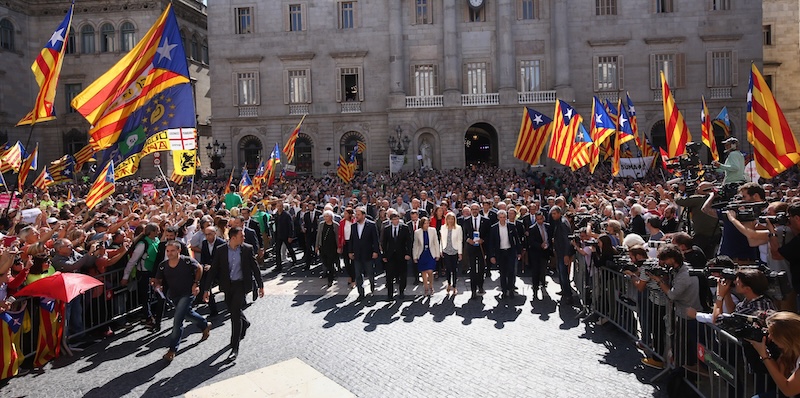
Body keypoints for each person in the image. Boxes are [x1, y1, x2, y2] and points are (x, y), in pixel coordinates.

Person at [202, 227, 264, 362]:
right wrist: (206, 289)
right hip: (227, 286)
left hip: (241, 285)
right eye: (242, 236)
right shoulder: (221, 250)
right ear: (233, 237)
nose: (244, 238)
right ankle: (245, 323)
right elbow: (213, 271)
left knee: (234, 315)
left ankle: (234, 347)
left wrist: (260, 285)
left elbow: (255, 267)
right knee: (232, 308)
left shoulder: (247, 249)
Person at [153, 241, 210, 361]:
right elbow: (157, 279)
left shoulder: (187, 261)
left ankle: (172, 350)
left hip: (188, 293)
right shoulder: (163, 265)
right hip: (174, 295)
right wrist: (158, 285)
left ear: (178, 250)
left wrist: (196, 284)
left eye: (172, 250)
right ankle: (204, 324)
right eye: (167, 251)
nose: (169, 253)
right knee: (187, 314)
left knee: (177, 321)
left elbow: (199, 268)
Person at [747, 311, 800, 398]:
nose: (770, 338)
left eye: (772, 334)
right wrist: (765, 352)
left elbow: (788, 390)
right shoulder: (790, 350)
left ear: (785, 337)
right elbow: (780, 372)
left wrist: (764, 356)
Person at [348, 206, 380, 301]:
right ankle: (361, 293)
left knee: (370, 273)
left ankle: (372, 287)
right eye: (355, 215)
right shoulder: (353, 226)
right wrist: (350, 251)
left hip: (368, 253)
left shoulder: (371, 225)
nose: (356, 216)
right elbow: (351, 240)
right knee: (358, 274)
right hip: (357, 254)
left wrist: (376, 251)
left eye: (358, 215)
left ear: (363, 215)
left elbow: (375, 240)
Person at [489, 210, 522, 300]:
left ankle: (511, 289)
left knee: (511, 271)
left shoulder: (511, 226)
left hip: (510, 251)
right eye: (501, 217)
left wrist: (519, 252)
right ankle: (504, 290)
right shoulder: (494, 228)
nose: (502, 219)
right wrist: (492, 255)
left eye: (504, 217)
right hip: (500, 252)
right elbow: (491, 243)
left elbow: (517, 240)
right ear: (498, 218)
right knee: (503, 272)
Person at [381, 212, 412, 300]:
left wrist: (408, 254)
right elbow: (384, 243)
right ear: (391, 220)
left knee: (403, 274)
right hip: (390, 256)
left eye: (397, 219)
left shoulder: (404, 228)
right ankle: (390, 294)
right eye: (394, 219)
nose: (396, 221)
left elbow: (409, 242)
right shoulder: (387, 229)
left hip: (402, 255)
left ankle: (401, 292)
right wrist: (384, 255)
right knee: (389, 275)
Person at [196, 226, 225, 316]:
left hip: (220, 271)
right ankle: (213, 310)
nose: (208, 237)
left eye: (210, 234)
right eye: (206, 234)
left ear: (215, 234)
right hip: (208, 270)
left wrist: (212, 266)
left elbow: (224, 261)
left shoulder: (222, 244)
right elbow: (203, 258)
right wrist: (203, 266)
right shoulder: (204, 243)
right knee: (205, 284)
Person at [463, 203, 490, 299]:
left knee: (482, 268)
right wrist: (468, 240)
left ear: (479, 210)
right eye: (473, 209)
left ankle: (481, 286)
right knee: (473, 269)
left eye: (476, 209)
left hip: (482, 247)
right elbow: (464, 233)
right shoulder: (466, 221)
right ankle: (473, 290)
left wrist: (483, 240)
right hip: (471, 247)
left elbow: (488, 234)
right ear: (470, 210)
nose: (474, 211)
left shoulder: (486, 220)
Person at [550, 206, 574, 305]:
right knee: (560, 273)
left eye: (554, 214)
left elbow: (566, 240)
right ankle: (564, 290)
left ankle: (568, 295)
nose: (553, 216)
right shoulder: (559, 222)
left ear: (559, 213)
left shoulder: (563, 223)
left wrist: (566, 255)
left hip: (563, 253)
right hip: (559, 252)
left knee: (564, 274)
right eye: (552, 214)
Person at [412, 217, 440, 297]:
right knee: (423, 272)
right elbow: (416, 245)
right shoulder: (417, 232)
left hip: (431, 253)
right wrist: (415, 256)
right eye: (425, 223)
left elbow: (436, 242)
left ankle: (431, 286)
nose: (426, 225)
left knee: (430, 271)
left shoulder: (433, 230)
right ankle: (426, 288)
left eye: (428, 223)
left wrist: (437, 254)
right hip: (422, 254)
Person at [439, 212, 463, 295]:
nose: (450, 220)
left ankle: (455, 286)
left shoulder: (458, 228)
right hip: (446, 250)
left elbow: (460, 240)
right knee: (448, 268)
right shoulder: (443, 228)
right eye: (449, 219)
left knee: (454, 269)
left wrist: (460, 253)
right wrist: (441, 250)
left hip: (455, 250)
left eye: (452, 219)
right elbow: (441, 240)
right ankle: (449, 283)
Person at [316, 210, 340, 288]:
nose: (325, 218)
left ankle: (330, 279)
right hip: (323, 247)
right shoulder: (321, 224)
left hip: (332, 247)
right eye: (324, 216)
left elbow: (337, 236)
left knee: (330, 263)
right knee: (325, 261)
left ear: (331, 217)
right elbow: (318, 235)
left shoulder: (336, 225)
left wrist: (339, 247)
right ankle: (332, 272)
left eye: (327, 216)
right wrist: (317, 245)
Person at [273, 202, 297, 272]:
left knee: (289, 248)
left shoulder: (286, 215)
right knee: (277, 251)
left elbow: (290, 226)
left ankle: (294, 260)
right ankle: (278, 265)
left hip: (286, 235)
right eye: (278, 206)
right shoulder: (276, 215)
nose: (279, 208)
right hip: (278, 235)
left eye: (280, 206)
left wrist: (290, 236)